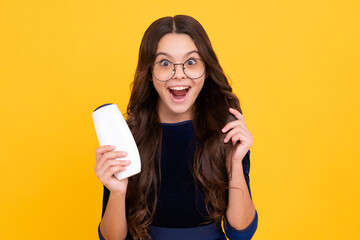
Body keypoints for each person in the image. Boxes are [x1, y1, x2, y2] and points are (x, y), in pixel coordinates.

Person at [94, 15, 258, 240]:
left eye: (191, 62)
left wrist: (235, 163)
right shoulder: (129, 135)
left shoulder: (227, 131)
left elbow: (241, 233)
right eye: (164, 63)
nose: (179, 74)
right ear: (149, 72)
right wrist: (117, 191)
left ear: (207, 69)